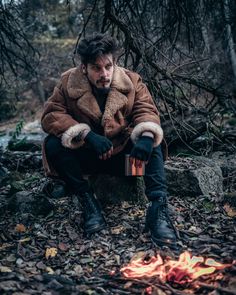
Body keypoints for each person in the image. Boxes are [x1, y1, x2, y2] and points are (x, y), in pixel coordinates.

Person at [41, 33, 177, 249]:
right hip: (88, 164)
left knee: (153, 139)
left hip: (128, 165)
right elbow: (51, 115)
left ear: (114, 63)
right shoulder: (68, 82)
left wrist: (145, 137)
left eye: (108, 66)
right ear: (84, 67)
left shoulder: (131, 81)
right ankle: (88, 201)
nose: (104, 73)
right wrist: (87, 135)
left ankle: (158, 211)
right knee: (53, 143)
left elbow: (146, 109)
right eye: (96, 68)